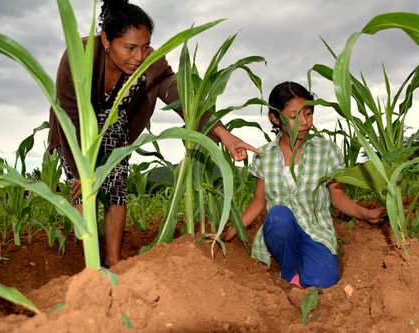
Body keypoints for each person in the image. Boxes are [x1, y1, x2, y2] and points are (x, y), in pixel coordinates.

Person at [48, 0, 260, 267]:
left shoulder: (151, 63)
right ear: (106, 40)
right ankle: (91, 265)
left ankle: (114, 262)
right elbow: (69, 114)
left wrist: (224, 134)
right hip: (75, 125)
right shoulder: (78, 56)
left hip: (115, 121)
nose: (139, 56)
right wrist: (81, 169)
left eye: (145, 46)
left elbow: (181, 96)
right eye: (130, 48)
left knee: (115, 188)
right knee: (82, 189)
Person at [220, 81, 387, 289]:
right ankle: (289, 273)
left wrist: (365, 213)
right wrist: (230, 233)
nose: (304, 122)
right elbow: (258, 202)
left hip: (315, 232)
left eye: (308, 113)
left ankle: (303, 266)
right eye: (293, 116)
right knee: (279, 215)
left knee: (323, 284)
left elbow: (338, 198)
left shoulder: (326, 151)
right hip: (280, 233)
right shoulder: (265, 156)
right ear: (275, 118)